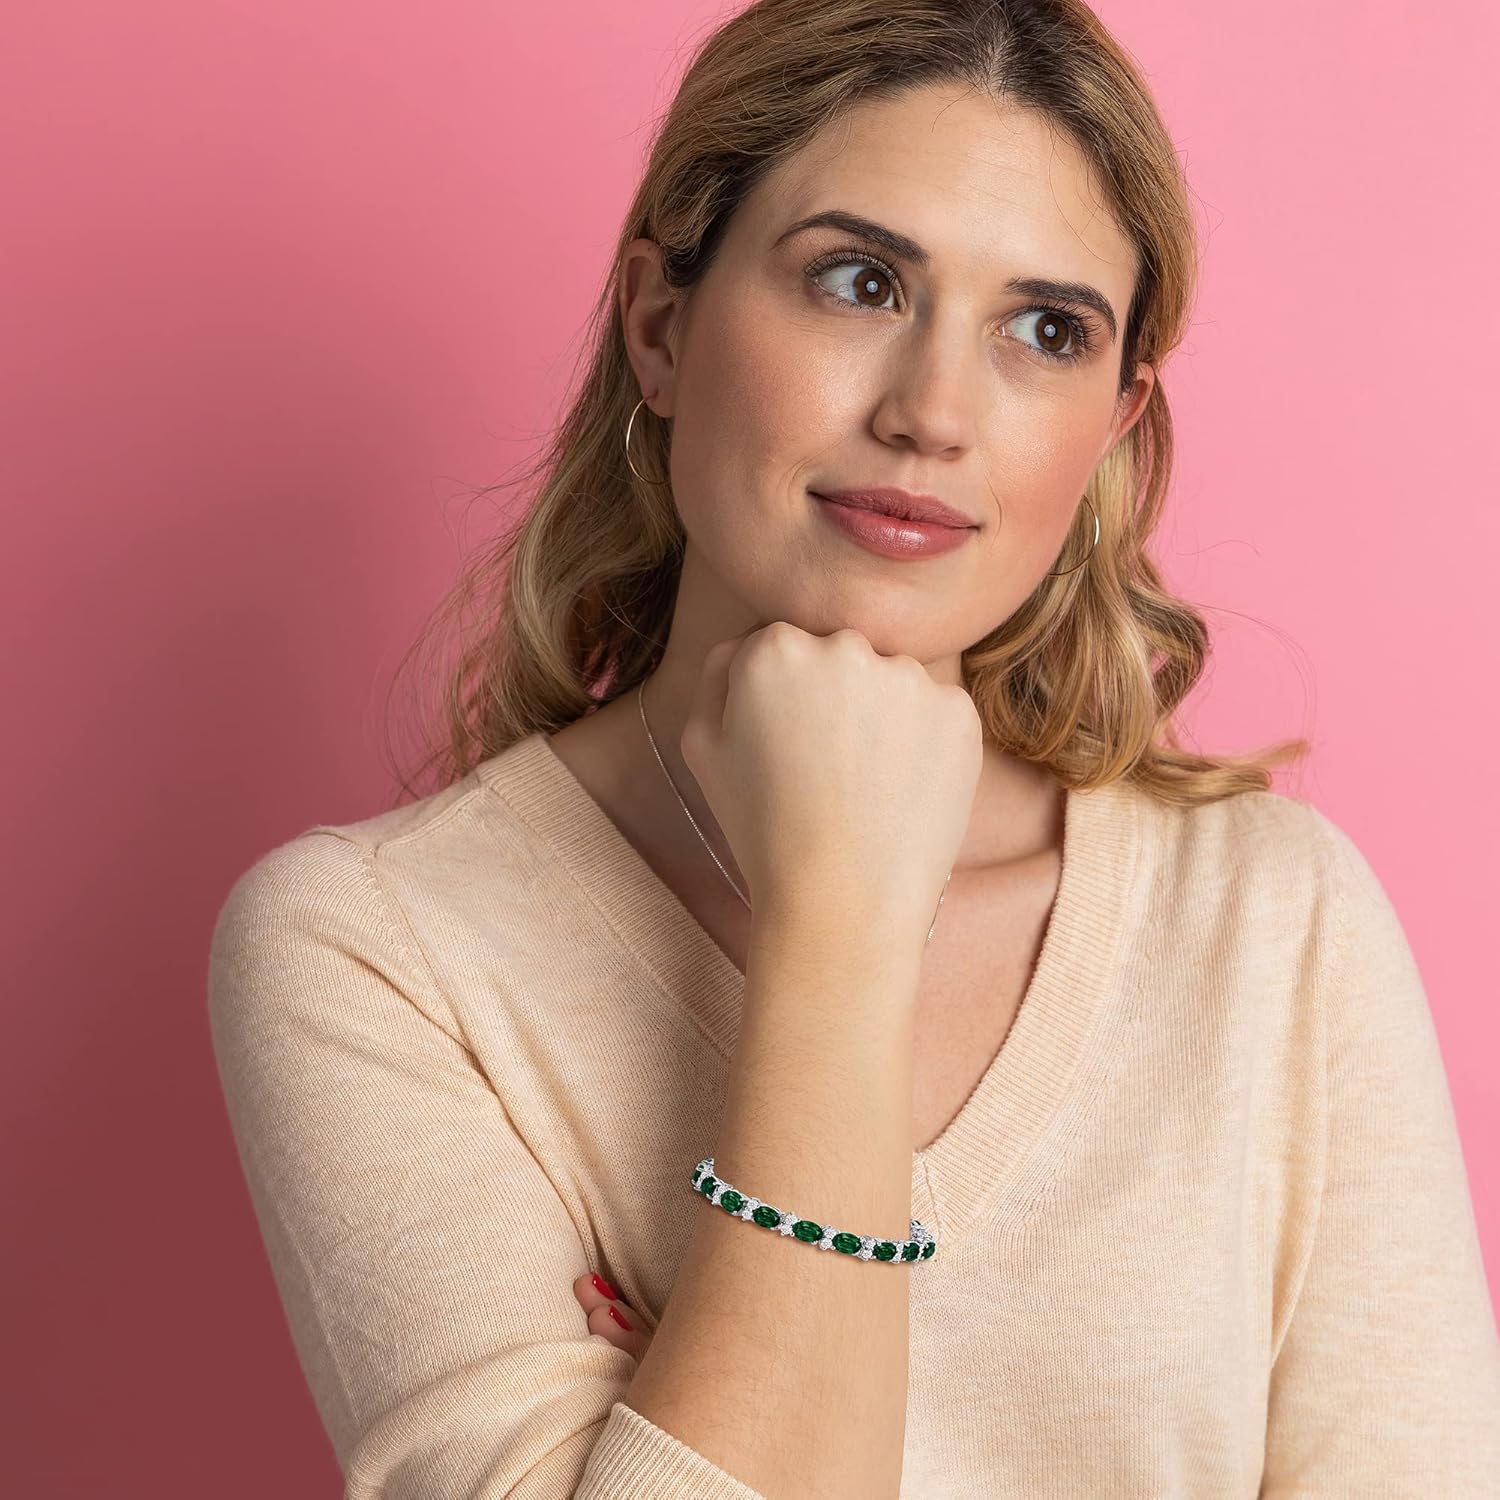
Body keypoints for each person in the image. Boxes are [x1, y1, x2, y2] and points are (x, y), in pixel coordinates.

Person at [205, 1, 1500, 1495]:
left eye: (1046, 331)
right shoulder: (378, 950)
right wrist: (836, 928)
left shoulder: (1271, 923)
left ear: (1113, 419)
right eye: (859, 281)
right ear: (662, 326)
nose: (933, 413)